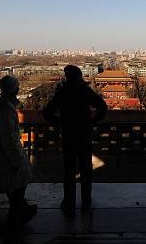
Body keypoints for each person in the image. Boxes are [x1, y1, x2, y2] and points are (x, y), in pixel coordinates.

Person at [43, 65, 108, 216]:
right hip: (84, 135)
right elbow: (102, 108)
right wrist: (92, 121)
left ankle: (69, 202)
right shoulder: (85, 91)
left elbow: (47, 113)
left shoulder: (63, 93)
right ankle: (86, 201)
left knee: (69, 171)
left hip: (69, 135)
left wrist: (60, 123)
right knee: (86, 170)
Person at [0, 75, 37, 244]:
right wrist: (16, 160)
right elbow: (8, 138)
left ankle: (16, 220)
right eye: (17, 86)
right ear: (14, 89)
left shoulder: (4, 105)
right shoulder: (6, 108)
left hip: (6, 156)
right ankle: (14, 227)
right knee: (17, 192)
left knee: (17, 193)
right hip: (8, 158)